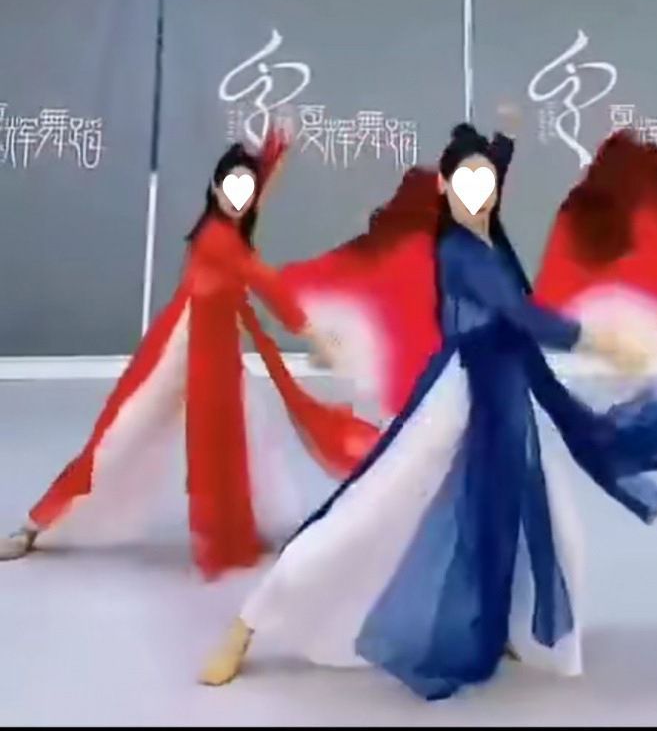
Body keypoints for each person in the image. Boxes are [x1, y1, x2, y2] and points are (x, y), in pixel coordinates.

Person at [199, 121, 657, 698]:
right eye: (466, 181)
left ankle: (505, 627)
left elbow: (494, 193)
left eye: (488, 181)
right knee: (368, 509)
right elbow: (519, 314)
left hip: (510, 394)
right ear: (444, 187)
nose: (479, 192)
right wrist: (596, 340)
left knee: (553, 528)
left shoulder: (489, 239)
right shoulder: (459, 253)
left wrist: (505, 134)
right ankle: (247, 625)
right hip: (459, 392)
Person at [0, 128, 380, 579]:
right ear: (215, 190)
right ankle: (34, 526)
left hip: (218, 354)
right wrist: (319, 340)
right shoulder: (218, 240)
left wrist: (275, 154)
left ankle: (248, 526)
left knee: (250, 438)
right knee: (118, 438)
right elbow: (270, 287)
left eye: (247, 190)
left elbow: (254, 198)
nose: (240, 198)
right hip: (178, 352)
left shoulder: (232, 224)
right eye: (231, 188)